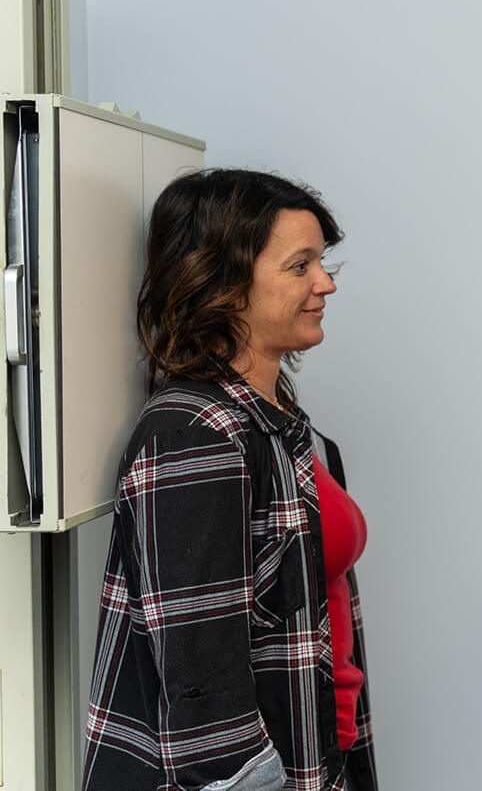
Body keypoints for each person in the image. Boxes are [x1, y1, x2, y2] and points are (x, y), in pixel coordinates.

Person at [82, 169, 378, 791]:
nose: (325, 283)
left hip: (319, 752)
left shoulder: (282, 425)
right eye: (300, 266)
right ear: (224, 284)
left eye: (322, 263)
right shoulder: (196, 433)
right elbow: (204, 695)